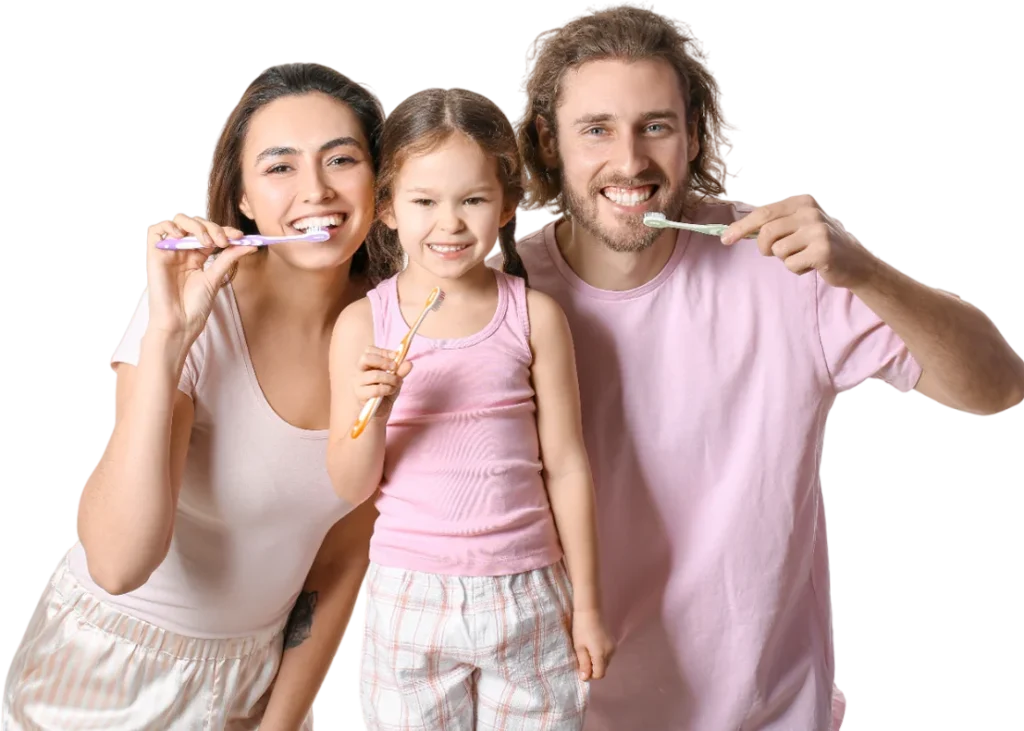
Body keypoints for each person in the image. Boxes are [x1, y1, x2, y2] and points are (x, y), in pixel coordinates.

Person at [510, 6, 1024, 731]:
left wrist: (865, 273)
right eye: (597, 129)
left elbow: (999, 386)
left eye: (655, 125)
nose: (629, 161)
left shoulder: (785, 268)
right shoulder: (503, 296)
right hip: (568, 714)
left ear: (694, 137)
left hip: (771, 715)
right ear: (548, 140)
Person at [0, 62, 385, 731]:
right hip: (109, 668)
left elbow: (344, 549)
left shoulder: (396, 333)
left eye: (342, 159)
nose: (316, 190)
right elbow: (120, 563)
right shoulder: (187, 311)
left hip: (250, 677)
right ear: (241, 197)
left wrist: (279, 721)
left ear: (379, 183)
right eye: (280, 167)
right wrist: (170, 339)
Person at [326, 86, 616, 730]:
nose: (449, 224)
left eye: (474, 200)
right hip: (409, 592)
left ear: (508, 205)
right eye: (424, 201)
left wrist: (589, 606)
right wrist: (373, 409)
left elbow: (567, 466)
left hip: (531, 590)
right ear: (388, 210)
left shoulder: (535, 316)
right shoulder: (360, 327)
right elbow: (349, 485)